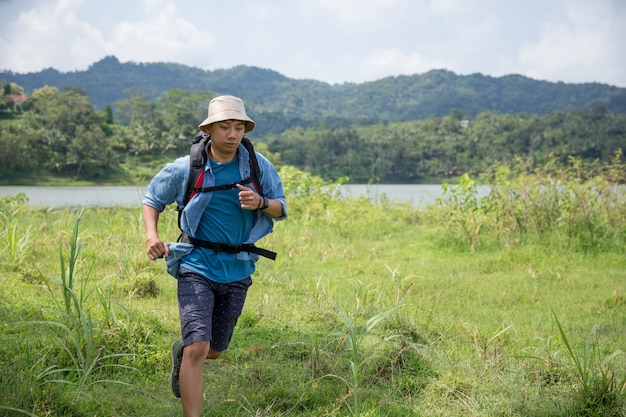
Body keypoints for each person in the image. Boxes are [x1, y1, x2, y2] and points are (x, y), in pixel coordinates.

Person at [141, 95, 287, 417]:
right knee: (199, 347)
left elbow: (280, 207)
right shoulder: (187, 168)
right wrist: (153, 236)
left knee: (215, 351)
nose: (232, 134)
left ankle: (182, 353)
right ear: (209, 129)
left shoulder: (257, 166)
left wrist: (261, 202)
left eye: (238, 127)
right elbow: (152, 198)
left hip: (237, 267)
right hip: (195, 264)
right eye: (225, 127)